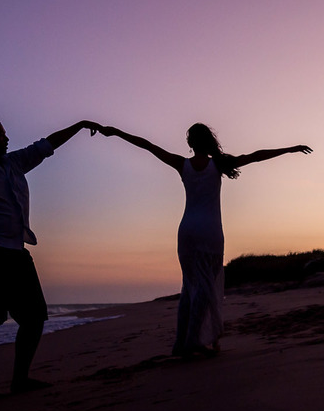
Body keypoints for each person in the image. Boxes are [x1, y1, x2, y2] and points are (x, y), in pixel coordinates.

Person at [100, 123, 311, 358]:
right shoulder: (217, 164)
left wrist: (116, 132)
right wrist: (289, 149)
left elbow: (147, 145)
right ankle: (193, 341)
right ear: (208, 141)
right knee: (205, 287)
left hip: (186, 231)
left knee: (189, 287)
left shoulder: (182, 164)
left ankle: (182, 342)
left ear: (190, 143)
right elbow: (254, 156)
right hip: (209, 232)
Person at [0, 117, 100, 403]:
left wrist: (79, 125)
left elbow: (47, 145)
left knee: (34, 317)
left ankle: (20, 380)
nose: (7, 139)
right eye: (1, 135)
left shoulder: (15, 163)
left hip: (16, 251)